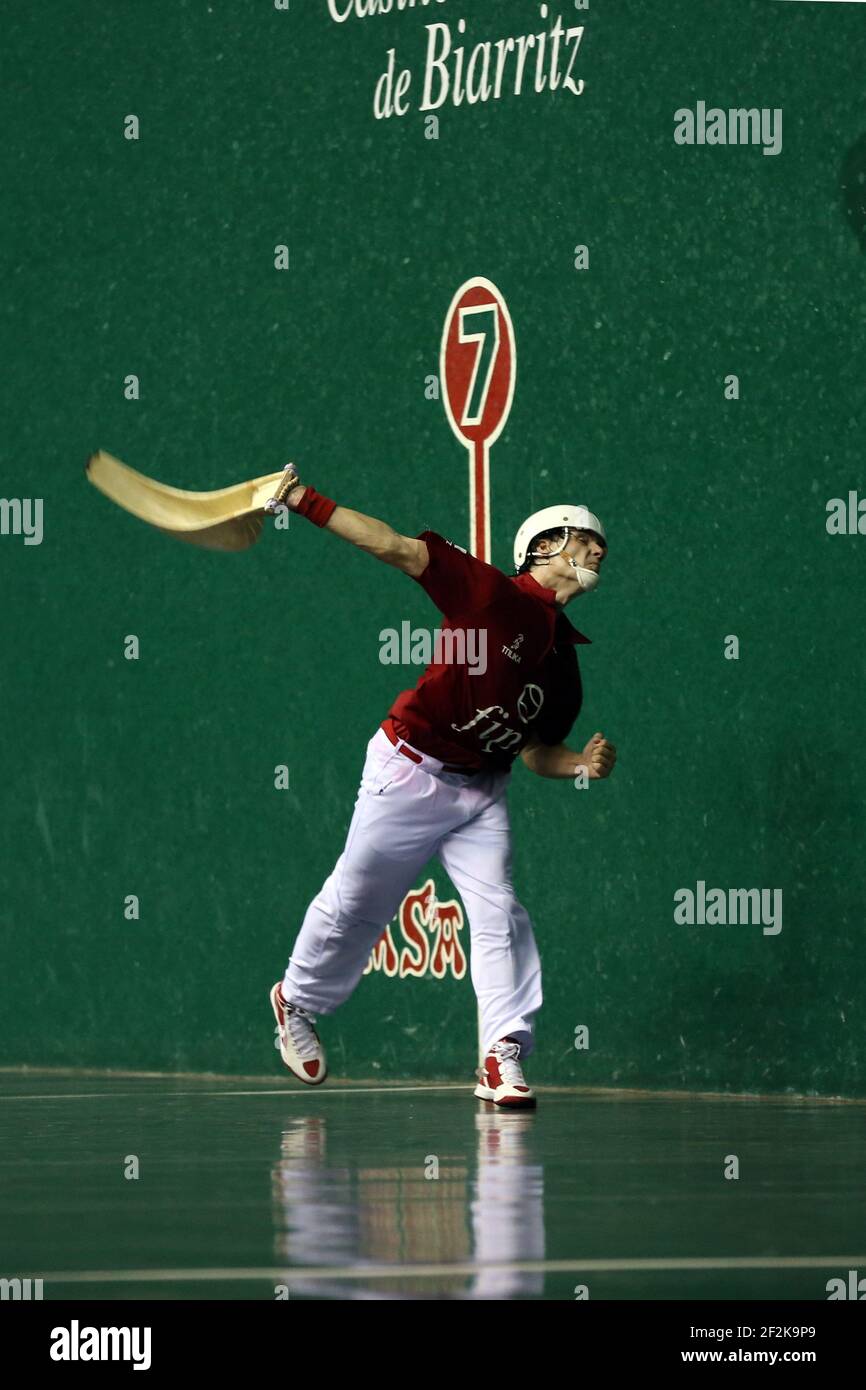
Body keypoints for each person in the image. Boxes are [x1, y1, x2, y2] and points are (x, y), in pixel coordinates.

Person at [269, 472, 616, 1108]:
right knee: (356, 902)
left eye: (600, 544)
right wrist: (303, 501)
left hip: (481, 791)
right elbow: (397, 547)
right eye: (585, 539)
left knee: (500, 914)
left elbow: (535, 750)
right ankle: (297, 999)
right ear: (544, 547)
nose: (598, 551)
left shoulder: (565, 668)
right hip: (409, 766)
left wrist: (579, 765)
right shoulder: (490, 595)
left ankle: (500, 1056)